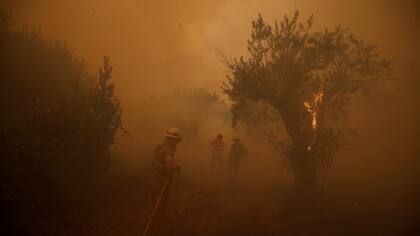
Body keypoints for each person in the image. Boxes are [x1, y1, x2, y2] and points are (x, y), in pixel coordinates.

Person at [150, 127, 182, 229]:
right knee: (161, 204)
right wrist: (176, 168)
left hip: (154, 179)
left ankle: (154, 223)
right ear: (171, 140)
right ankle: (157, 226)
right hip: (162, 182)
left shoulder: (159, 147)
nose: (176, 144)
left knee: (154, 202)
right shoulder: (168, 151)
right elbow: (169, 168)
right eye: (176, 141)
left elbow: (155, 163)